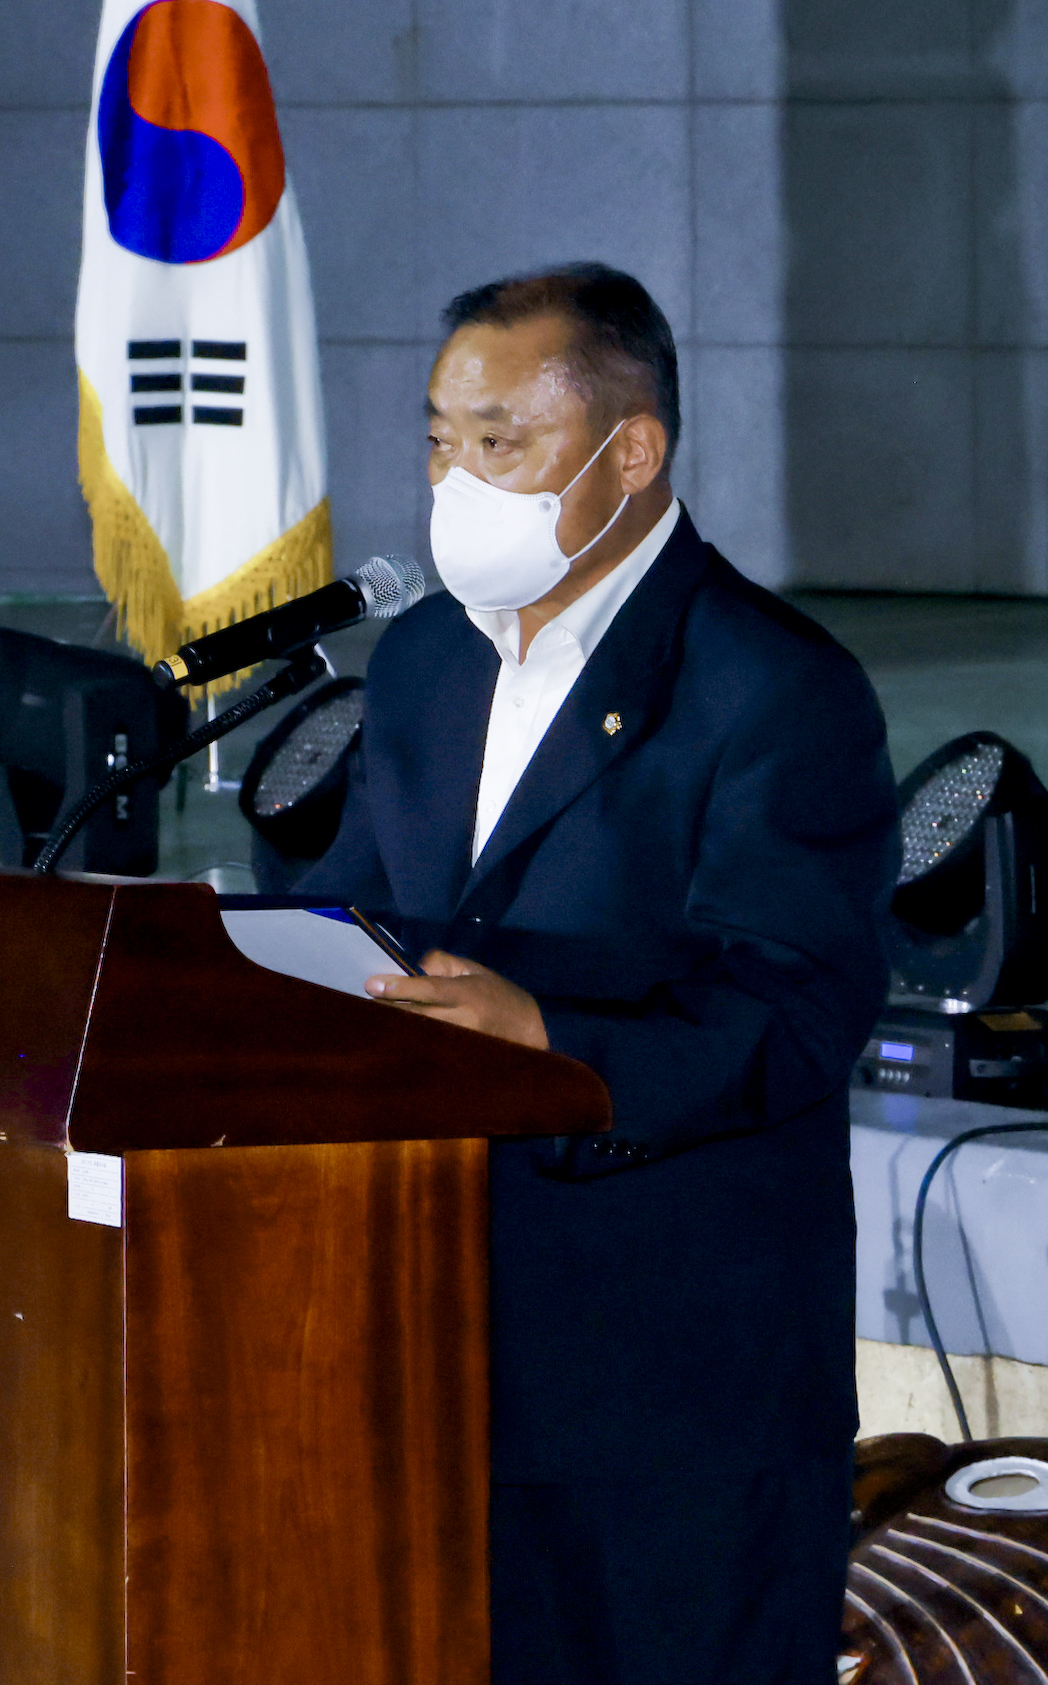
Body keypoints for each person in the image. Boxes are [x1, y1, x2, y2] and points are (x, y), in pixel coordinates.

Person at [300, 262, 901, 1685]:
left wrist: (552, 1042)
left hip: (674, 1384)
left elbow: (795, 1013)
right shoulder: (423, 666)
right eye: (440, 441)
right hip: (436, 1342)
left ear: (632, 453)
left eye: (500, 443)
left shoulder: (771, 685)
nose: (457, 480)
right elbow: (367, 924)